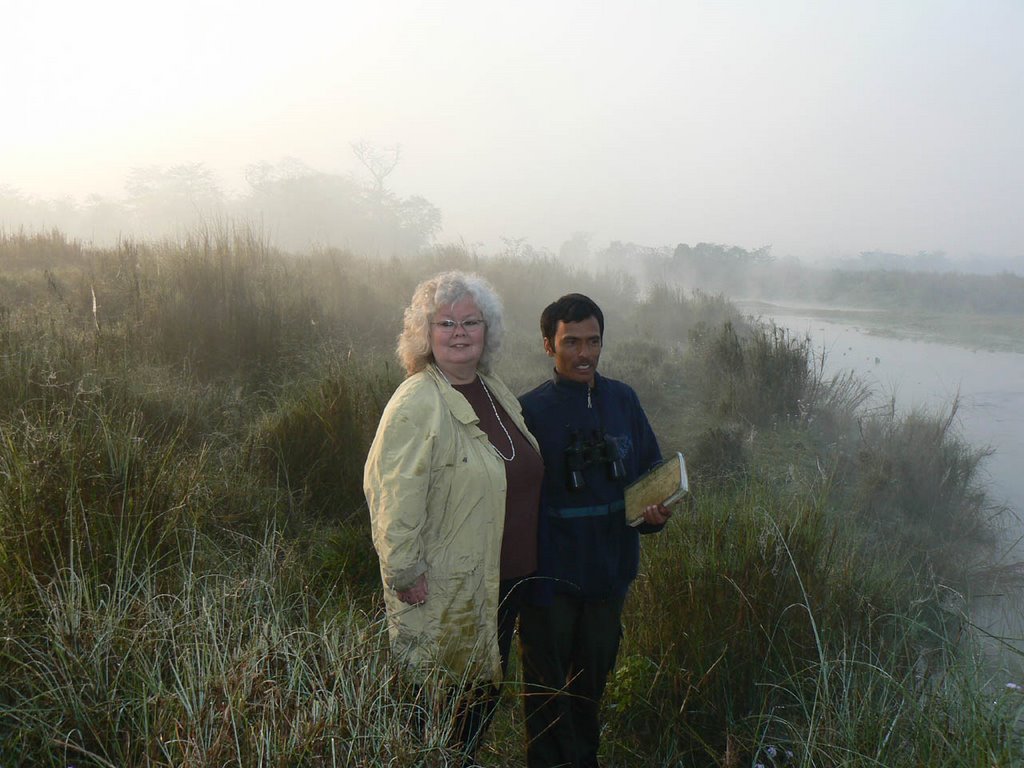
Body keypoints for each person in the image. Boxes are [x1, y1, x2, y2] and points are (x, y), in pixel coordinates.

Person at [363, 271, 544, 764]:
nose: (460, 332)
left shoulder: (493, 389)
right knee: (440, 707)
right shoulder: (417, 400)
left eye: (471, 321)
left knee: (479, 698)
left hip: (501, 580)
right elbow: (391, 492)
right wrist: (403, 571)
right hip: (446, 585)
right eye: (446, 323)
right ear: (425, 334)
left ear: (488, 331)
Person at [517, 293, 672, 768]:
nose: (584, 353)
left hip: (608, 577)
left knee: (590, 688)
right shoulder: (529, 412)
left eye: (593, 341)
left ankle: (584, 760)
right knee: (545, 693)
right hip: (549, 581)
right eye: (571, 342)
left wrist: (657, 515)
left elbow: (651, 472)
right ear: (548, 345)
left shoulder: (623, 400)